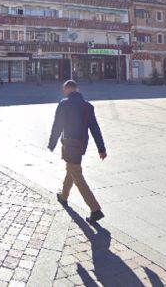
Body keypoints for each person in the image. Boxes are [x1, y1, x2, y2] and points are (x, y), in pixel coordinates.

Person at [48, 80, 106, 224]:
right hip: (80, 146)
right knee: (71, 170)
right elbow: (95, 129)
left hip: (69, 144)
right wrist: (101, 148)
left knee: (77, 175)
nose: (63, 92)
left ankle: (95, 209)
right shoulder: (87, 106)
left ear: (67, 89)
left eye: (64, 90)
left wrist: (52, 144)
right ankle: (64, 196)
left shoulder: (64, 104)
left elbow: (57, 125)